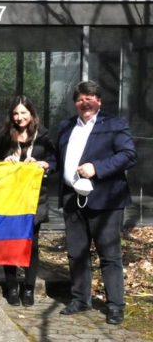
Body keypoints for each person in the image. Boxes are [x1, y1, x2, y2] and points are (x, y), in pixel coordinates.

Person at [56, 81, 136, 325]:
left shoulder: (114, 124)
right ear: (75, 103)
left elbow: (128, 155)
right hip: (73, 199)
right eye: (80, 98)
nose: (85, 102)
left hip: (106, 199)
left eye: (90, 97)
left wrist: (97, 168)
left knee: (109, 255)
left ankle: (115, 305)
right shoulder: (65, 126)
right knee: (76, 253)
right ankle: (80, 298)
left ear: (99, 101)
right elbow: (56, 157)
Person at [0, 96, 56, 307]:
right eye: (16, 113)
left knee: (31, 244)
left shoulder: (44, 136)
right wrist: (4, 161)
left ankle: (29, 287)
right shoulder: (5, 135)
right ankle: (11, 286)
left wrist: (44, 164)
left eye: (23, 113)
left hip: (35, 198)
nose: (20, 117)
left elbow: (54, 161)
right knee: (9, 243)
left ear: (31, 114)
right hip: (9, 199)